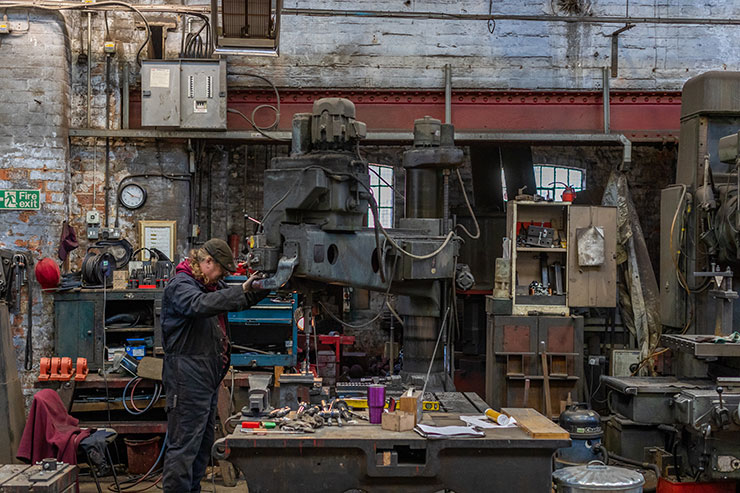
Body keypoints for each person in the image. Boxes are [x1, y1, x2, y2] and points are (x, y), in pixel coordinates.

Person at [161, 238, 268, 492]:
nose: (221, 277)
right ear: (207, 261)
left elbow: (233, 300)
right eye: (220, 269)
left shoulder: (207, 286)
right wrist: (240, 289)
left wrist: (267, 286)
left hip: (206, 378)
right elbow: (200, 305)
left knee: (201, 446)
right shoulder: (181, 286)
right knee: (184, 447)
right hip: (187, 378)